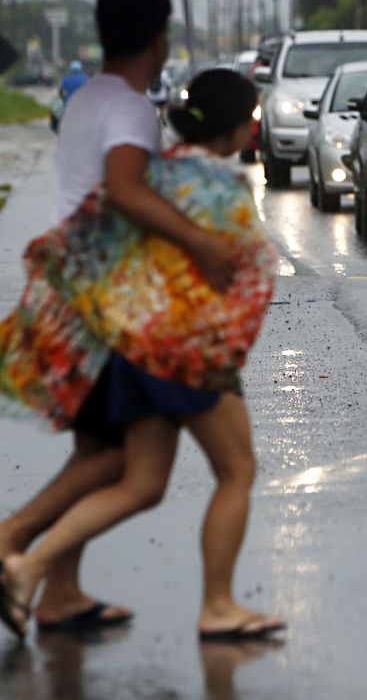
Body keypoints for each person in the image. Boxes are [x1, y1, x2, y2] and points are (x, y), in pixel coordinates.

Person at [0, 67, 284, 643]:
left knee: (143, 483)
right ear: (236, 129)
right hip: (193, 358)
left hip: (135, 352)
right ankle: (219, 605)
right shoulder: (223, 192)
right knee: (237, 471)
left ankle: (27, 566)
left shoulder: (152, 175)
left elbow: (92, 244)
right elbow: (247, 272)